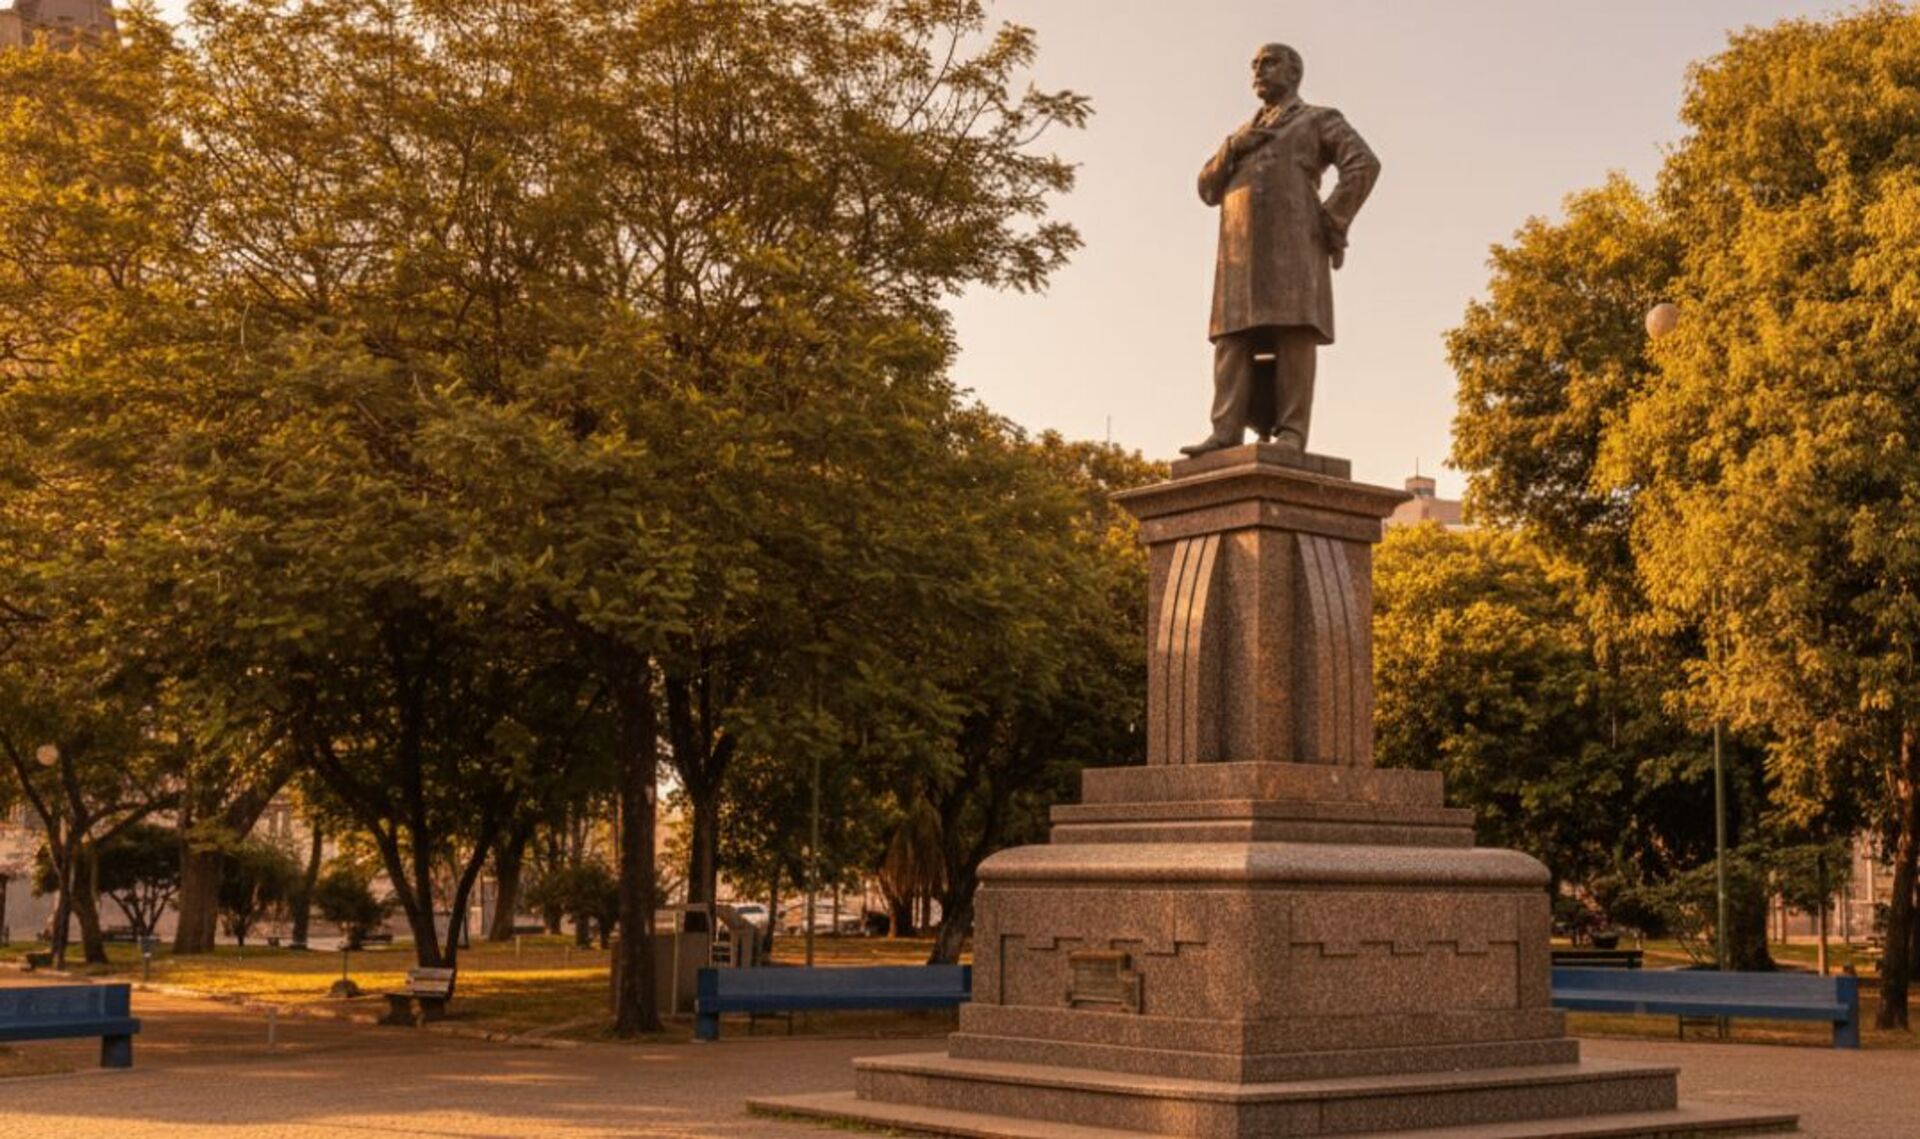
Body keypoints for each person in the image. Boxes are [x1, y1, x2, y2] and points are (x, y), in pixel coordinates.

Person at [1182, 43, 1379, 457]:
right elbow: (1206, 188)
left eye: (1268, 63)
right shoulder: (1239, 137)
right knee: (1231, 339)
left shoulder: (1316, 119)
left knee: (1293, 333)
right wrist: (1233, 146)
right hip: (1238, 253)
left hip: (1293, 247)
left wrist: (1331, 219)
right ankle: (1226, 430)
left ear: (1294, 73)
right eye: (1254, 64)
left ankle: (1291, 431)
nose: (1258, 69)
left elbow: (1362, 162)